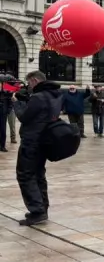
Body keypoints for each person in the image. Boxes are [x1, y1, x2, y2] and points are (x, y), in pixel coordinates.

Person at [12, 71, 62, 226]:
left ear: (34, 80)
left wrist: (16, 102)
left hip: (32, 141)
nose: (28, 86)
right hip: (44, 141)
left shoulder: (38, 97)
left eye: (29, 83)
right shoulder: (55, 95)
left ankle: (37, 211)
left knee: (25, 175)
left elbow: (24, 116)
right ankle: (42, 207)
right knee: (39, 174)